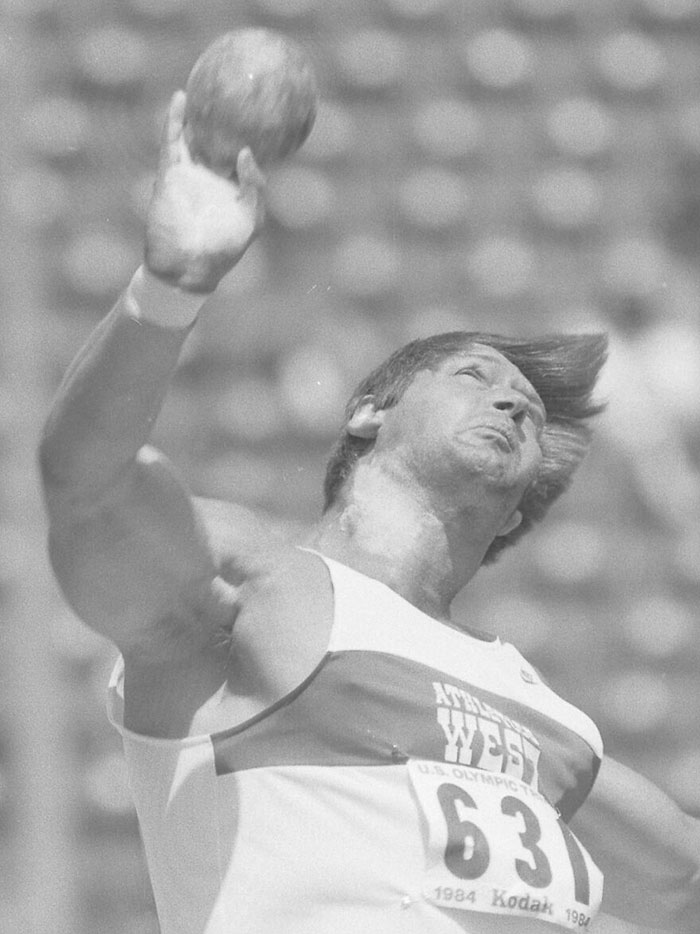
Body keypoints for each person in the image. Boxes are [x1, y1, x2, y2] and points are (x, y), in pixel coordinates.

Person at [39, 90, 700, 934]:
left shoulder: (548, 714)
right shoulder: (257, 586)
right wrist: (168, 291)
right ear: (369, 412)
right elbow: (86, 491)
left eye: (529, 411)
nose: (512, 404)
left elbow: (682, 874)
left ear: (511, 518)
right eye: (474, 377)